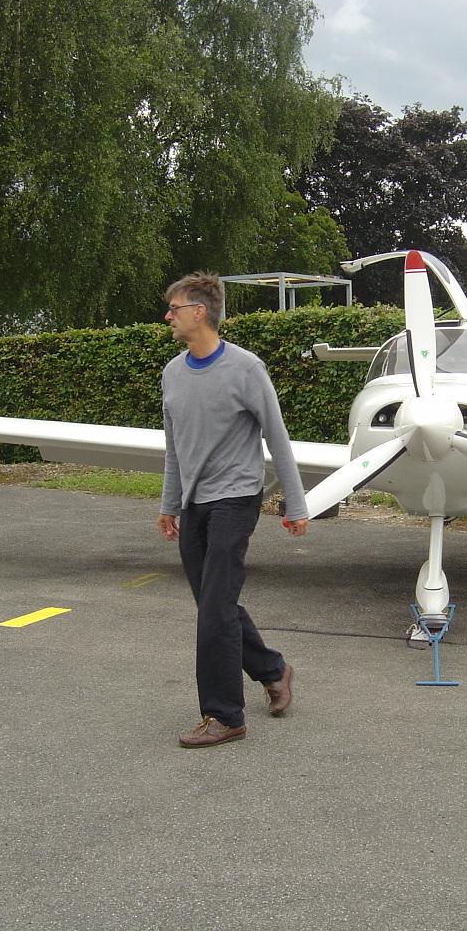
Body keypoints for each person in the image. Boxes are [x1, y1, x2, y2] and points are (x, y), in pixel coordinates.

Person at [156, 272, 310, 748]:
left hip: (236, 498)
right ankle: (272, 669)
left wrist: (296, 504)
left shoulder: (245, 368)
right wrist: (169, 503)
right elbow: (175, 448)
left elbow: (277, 437)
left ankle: (224, 716)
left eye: (174, 308)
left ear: (199, 311)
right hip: (194, 503)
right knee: (214, 604)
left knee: (215, 610)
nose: (168, 316)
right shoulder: (172, 373)